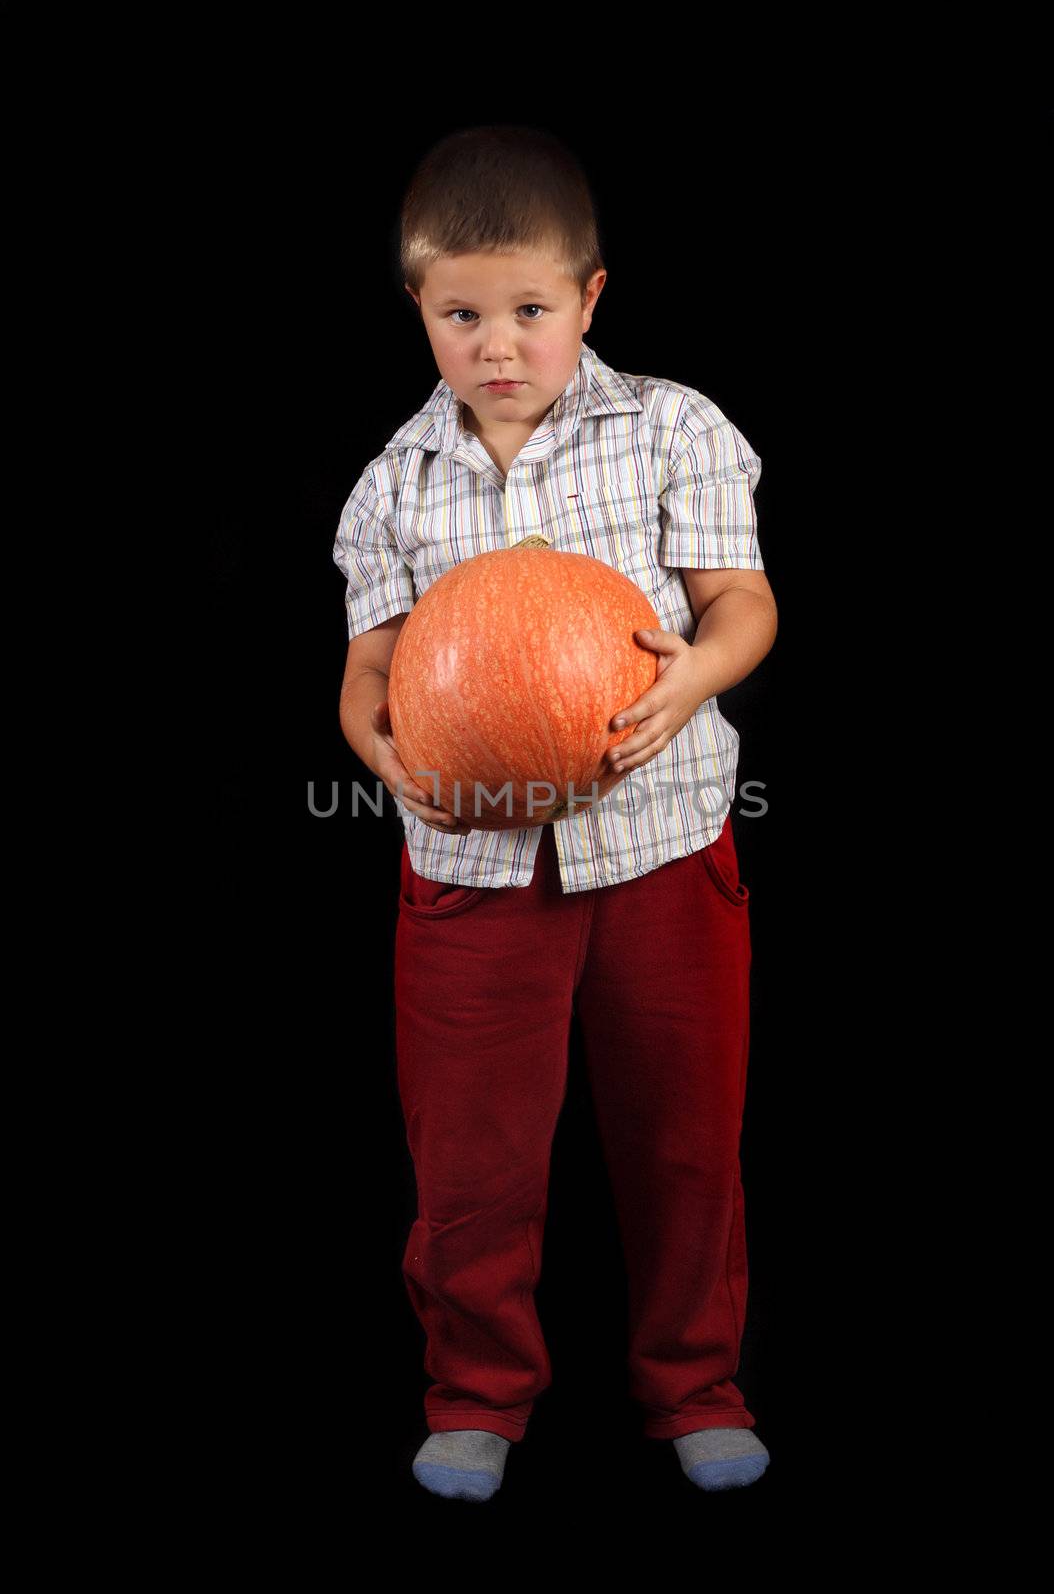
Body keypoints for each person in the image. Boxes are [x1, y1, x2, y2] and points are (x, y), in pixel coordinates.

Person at [333, 126, 778, 1502]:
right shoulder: (393, 487)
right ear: (419, 305)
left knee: (686, 1141)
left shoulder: (672, 426)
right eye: (462, 314)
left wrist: (687, 681)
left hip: (662, 848)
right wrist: (368, 734)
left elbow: (742, 606)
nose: (499, 343)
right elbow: (368, 671)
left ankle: (694, 1387)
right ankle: (475, 1395)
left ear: (589, 296)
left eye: (530, 310)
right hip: (470, 865)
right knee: (469, 1158)